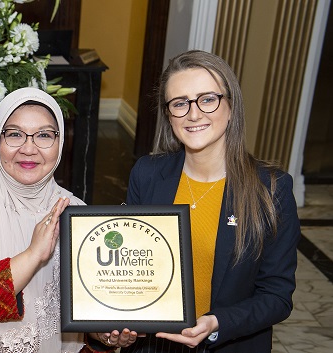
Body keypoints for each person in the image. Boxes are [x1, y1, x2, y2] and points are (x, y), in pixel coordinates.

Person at [0, 87, 136, 353]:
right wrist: (33, 255)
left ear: (60, 143)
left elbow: (89, 310)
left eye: (44, 135)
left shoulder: (78, 213)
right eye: (14, 134)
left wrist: (104, 335)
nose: (28, 148)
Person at [121, 50, 300, 352]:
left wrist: (217, 323)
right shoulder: (147, 174)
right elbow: (131, 271)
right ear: (169, 115)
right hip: (153, 346)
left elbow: (277, 296)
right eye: (180, 103)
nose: (193, 114)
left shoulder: (271, 189)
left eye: (207, 99)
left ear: (231, 107)